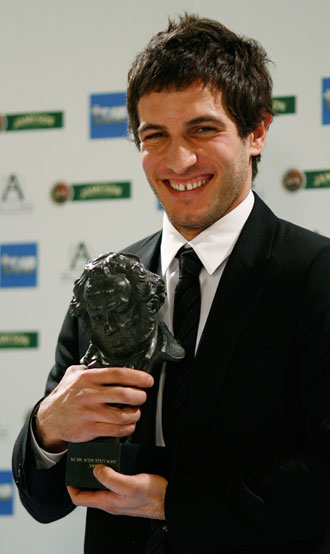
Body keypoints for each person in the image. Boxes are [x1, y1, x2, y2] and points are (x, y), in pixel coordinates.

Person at [12, 13, 330, 554]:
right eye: (154, 135)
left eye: (202, 130)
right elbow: (45, 501)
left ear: (257, 131)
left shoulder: (313, 273)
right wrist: (48, 428)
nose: (177, 160)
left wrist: (170, 503)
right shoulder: (107, 283)